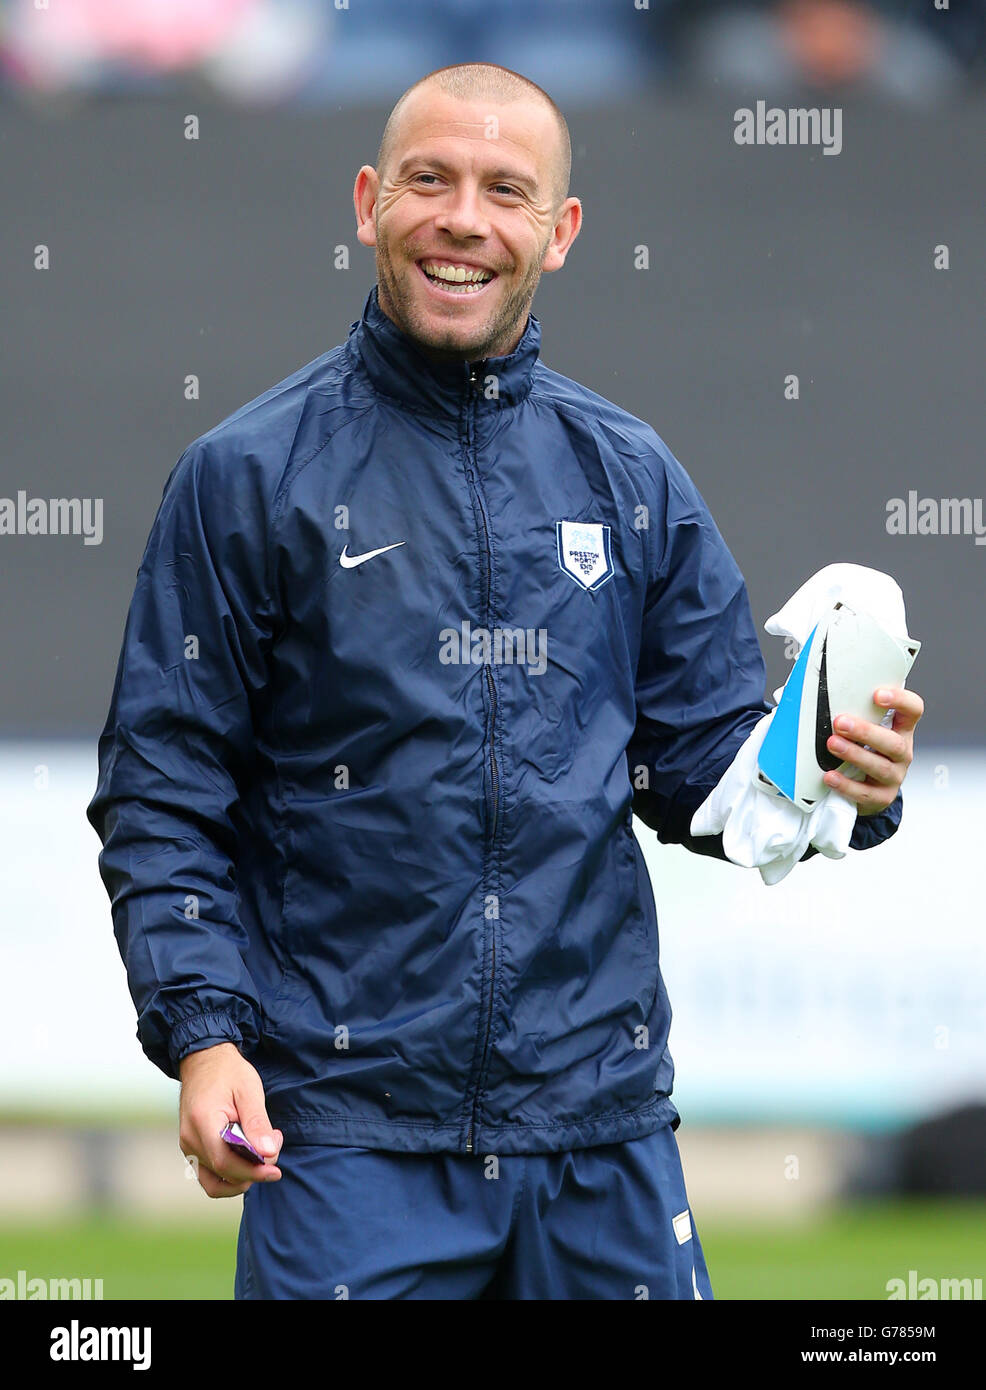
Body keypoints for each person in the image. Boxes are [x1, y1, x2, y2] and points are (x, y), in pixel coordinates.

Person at [87, 62, 923, 1300]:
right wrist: (205, 1039)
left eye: (504, 189)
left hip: (600, 1131)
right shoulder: (245, 476)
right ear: (368, 202)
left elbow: (700, 769)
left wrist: (838, 774)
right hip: (348, 1138)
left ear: (559, 230)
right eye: (428, 179)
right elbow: (163, 791)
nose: (462, 218)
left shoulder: (630, 474)